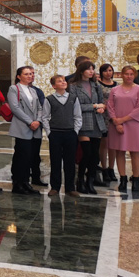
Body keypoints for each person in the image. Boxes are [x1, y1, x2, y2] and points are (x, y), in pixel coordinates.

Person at [107, 66, 139, 194]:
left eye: (131, 74)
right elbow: (110, 106)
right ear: (122, 75)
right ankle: (123, 179)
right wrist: (116, 121)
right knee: (120, 151)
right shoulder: (115, 89)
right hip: (117, 125)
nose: (129, 76)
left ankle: (136, 179)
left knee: (135, 152)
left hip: (134, 124)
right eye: (126, 74)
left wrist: (123, 120)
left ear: (134, 75)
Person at [68, 60, 107, 194]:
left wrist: (102, 108)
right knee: (86, 153)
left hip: (96, 122)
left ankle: (90, 180)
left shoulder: (96, 85)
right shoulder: (73, 86)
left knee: (95, 155)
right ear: (81, 71)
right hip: (83, 122)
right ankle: (80, 180)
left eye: (92, 69)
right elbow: (74, 105)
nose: (91, 71)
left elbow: (101, 102)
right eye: (89, 69)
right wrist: (94, 106)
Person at [40, 75, 82, 197]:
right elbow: (45, 117)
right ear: (54, 86)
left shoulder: (73, 98)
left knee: (70, 161)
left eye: (64, 81)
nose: (63, 82)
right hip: (55, 133)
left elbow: (77, 116)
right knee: (55, 160)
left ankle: (70, 187)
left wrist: (75, 131)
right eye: (59, 81)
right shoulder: (49, 99)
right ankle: (55, 187)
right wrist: (49, 133)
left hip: (70, 133)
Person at [8, 66, 43, 195]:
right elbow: (15, 108)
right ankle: (18, 184)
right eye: (26, 74)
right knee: (21, 156)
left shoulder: (32, 90)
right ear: (19, 76)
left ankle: (26, 183)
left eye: (31, 74)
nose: (30, 76)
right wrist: (30, 121)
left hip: (35, 127)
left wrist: (38, 121)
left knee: (30, 156)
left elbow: (40, 107)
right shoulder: (14, 89)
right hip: (22, 127)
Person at [98, 64, 118, 183]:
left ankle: (111, 168)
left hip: (113, 116)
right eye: (105, 71)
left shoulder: (117, 85)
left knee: (113, 144)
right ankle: (104, 168)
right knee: (104, 143)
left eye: (110, 70)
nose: (108, 73)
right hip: (102, 115)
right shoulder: (98, 85)